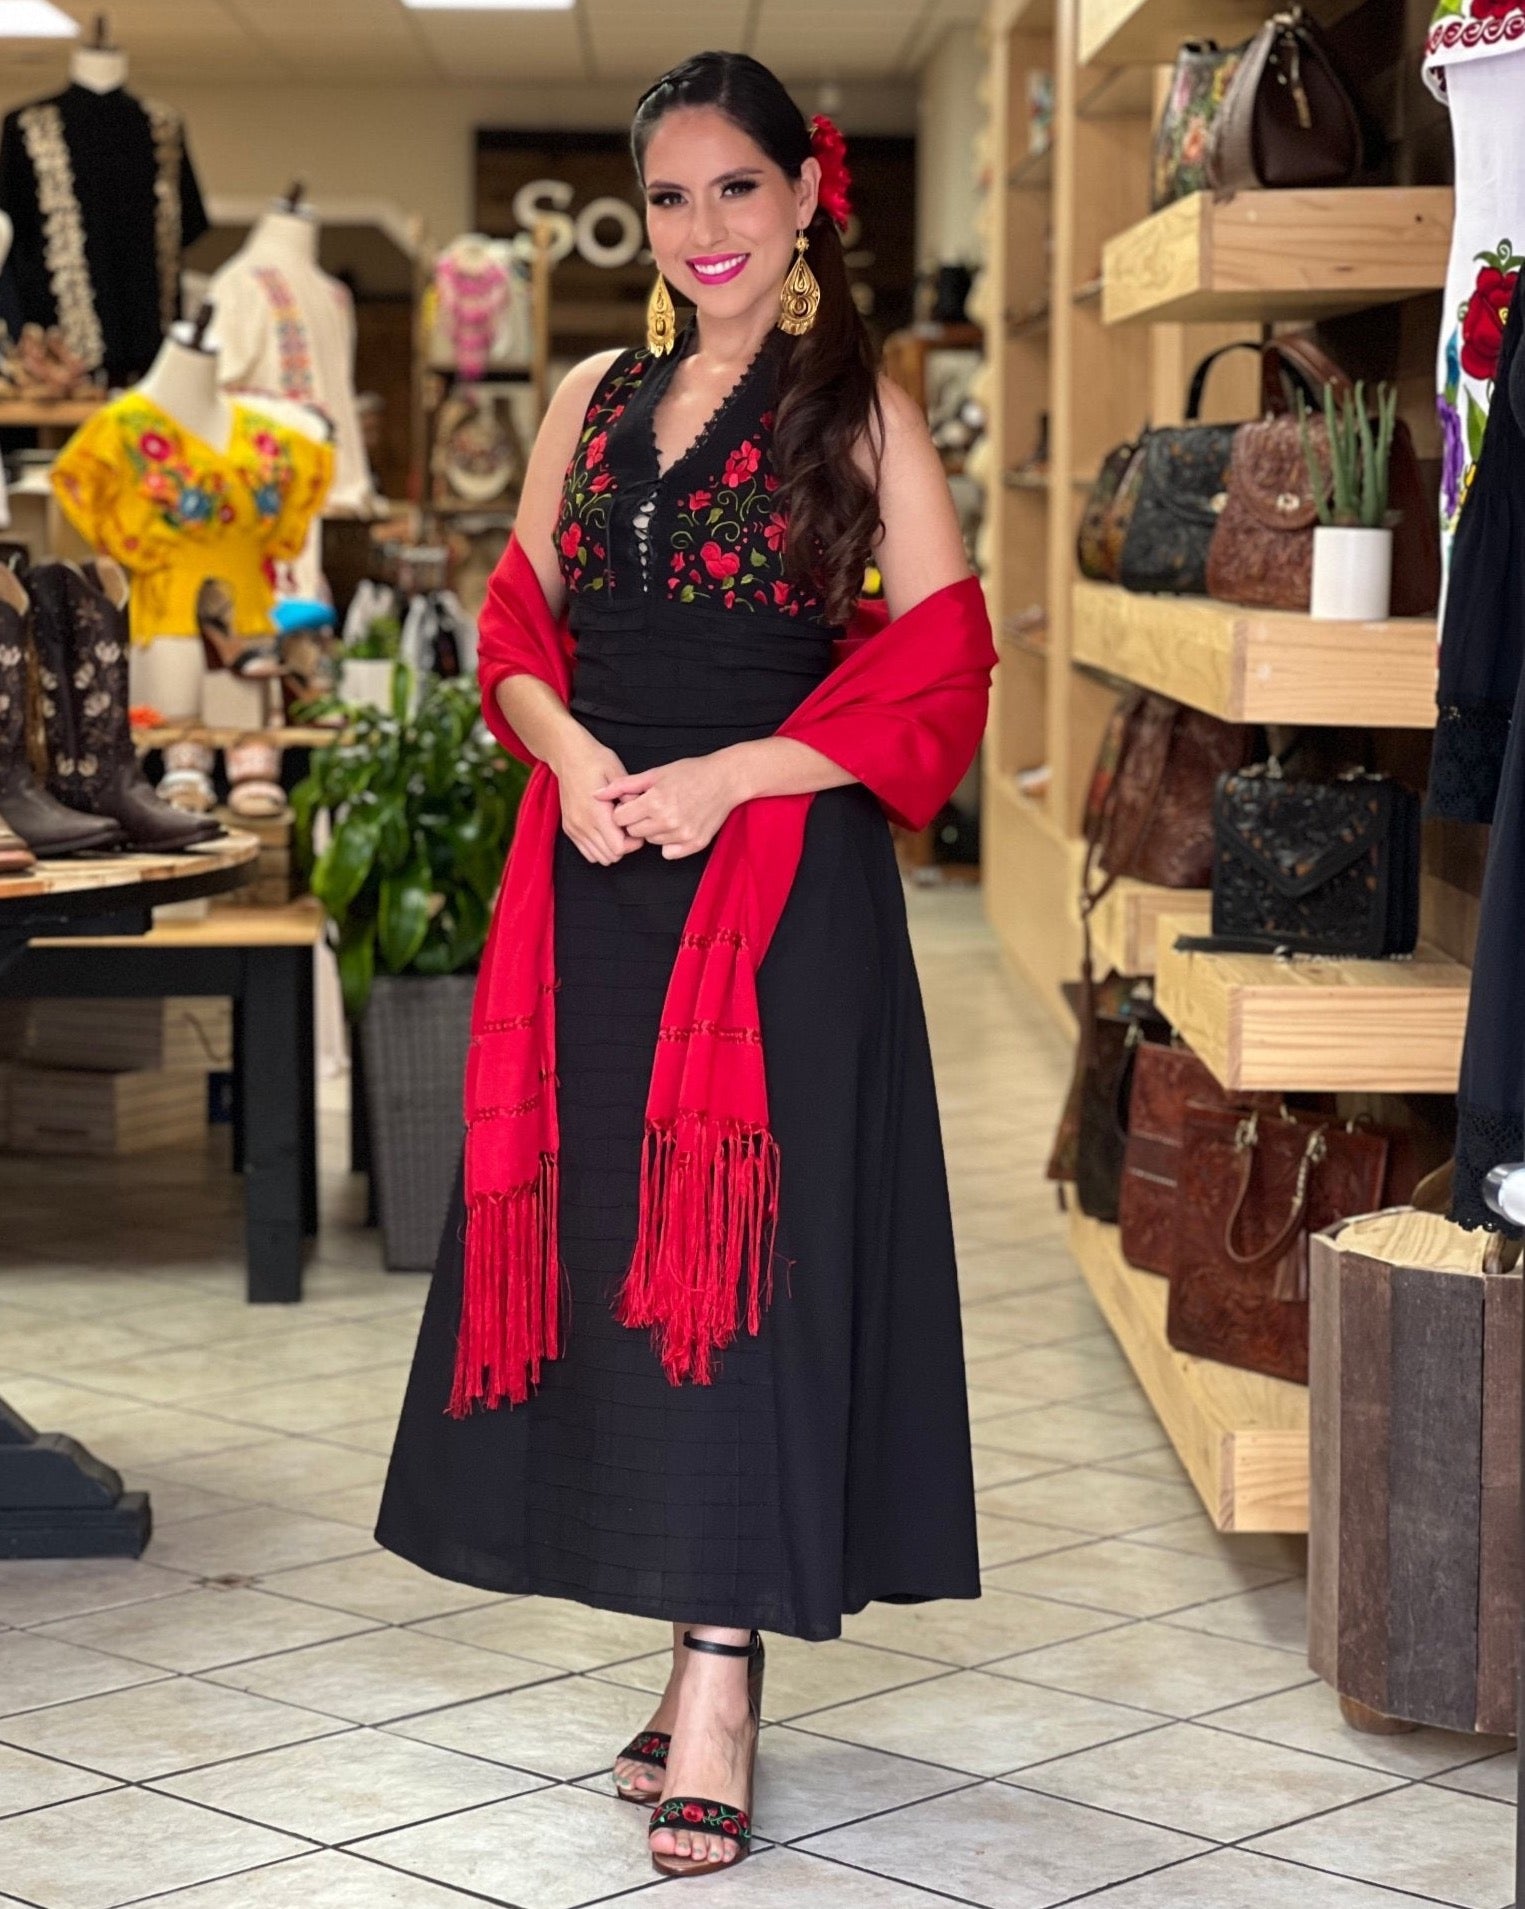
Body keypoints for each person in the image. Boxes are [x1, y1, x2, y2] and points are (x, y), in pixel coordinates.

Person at [376, 48, 989, 1878]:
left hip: (778, 893)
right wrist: (568, 766)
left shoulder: (863, 411)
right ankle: (687, 1651)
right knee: (625, 1282)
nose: (703, 227)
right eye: (669, 196)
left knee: (735, 1277)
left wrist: (730, 775)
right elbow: (514, 621)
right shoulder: (585, 389)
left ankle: (717, 1685)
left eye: (738, 187)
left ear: (807, 198)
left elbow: (941, 669)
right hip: (595, 878)